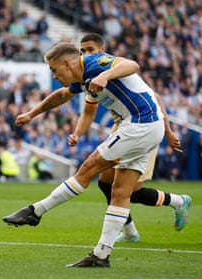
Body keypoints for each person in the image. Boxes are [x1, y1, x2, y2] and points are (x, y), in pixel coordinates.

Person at [2, 42, 191, 268]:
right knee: (119, 192)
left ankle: (36, 211)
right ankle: (101, 255)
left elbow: (132, 64)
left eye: (54, 70)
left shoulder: (95, 63)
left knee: (87, 170)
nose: (54, 75)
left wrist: (105, 76)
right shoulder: (81, 80)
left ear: (66, 63)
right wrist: (33, 114)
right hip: (147, 127)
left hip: (140, 124)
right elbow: (62, 95)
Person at [78, 33, 190, 243]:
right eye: (82, 51)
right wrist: (76, 133)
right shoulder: (90, 75)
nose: (86, 54)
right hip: (121, 128)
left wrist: (167, 131)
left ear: (102, 49)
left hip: (144, 127)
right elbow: (87, 110)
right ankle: (130, 231)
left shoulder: (115, 68)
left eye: (90, 50)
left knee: (131, 191)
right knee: (105, 183)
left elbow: (154, 98)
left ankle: (178, 201)